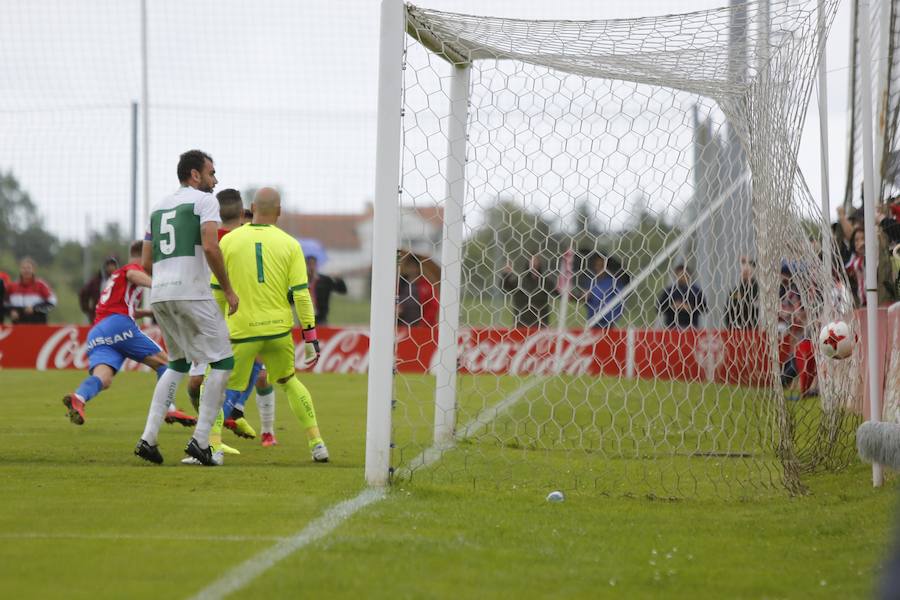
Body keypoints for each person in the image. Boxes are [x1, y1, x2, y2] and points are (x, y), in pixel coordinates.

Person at [135, 149, 239, 467]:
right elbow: (210, 246)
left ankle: (149, 438)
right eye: (211, 173)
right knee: (223, 362)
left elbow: (146, 262)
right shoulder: (204, 201)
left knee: (177, 364)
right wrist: (230, 290)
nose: (215, 179)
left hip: (161, 295)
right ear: (195, 175)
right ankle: (201, 441)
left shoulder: (157, 207)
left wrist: (169, 279)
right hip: (192, 292)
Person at [213, 187, 329, 463]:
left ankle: (213, 446)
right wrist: (311, 338)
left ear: (250, 208)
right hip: (278, 330)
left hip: (242, 331)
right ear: (279, 211)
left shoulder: (228, 241)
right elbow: (301, 294)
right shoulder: (290, 244)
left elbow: (217, 290)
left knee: (217, 384)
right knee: (289, 381)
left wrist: (215, 331)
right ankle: (317, 442)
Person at [184, 188, 277, 452]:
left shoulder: (231, 238)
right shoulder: (211, 238)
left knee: (253, 369)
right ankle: (217, 420)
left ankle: (230, 416)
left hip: (233, 312)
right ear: (242, 212)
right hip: (212, 311)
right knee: (199, 382)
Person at [61, 242, 170, 424]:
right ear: (145, 255)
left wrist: (148, 313)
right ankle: (169, 409)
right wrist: (159, 285)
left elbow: (123, 307)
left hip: (97, 332)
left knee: (103, 379)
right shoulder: (132, 268)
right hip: (118, 325)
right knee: (166, 364)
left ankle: (79, 398)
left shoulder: (115, 280)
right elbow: (133, 274)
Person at [500, 254, 557, 328]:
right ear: (528, 262)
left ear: (540, 263)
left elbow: (559, 293)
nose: (534, 263)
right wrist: (506, 275)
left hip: (540, 325)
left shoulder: (546, 282)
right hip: (521, 325)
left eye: (536, 260)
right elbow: (505, 288)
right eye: (532, 260)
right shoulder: (520, 281)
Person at [6, 258, 56, 324]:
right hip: (17, 326)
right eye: (23, 268)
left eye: (29, 268)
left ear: (34, 270)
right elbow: (4, 304)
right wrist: (10, 311)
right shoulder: (12, 286)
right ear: (20, 269)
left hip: (38, 326)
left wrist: (35, 309)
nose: (26, 270)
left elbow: (52, 302)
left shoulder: (41, 285)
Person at [657, 264, 706, 329]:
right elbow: (658, 308)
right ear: (675, 275)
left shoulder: (696, 291)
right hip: (672, 327)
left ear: (689, 275)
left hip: (691, 328)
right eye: (680, 275)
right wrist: (672, 306)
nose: (683, 277)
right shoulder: (669, 291)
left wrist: (690, 307)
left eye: (685, 275)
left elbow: (704, 309)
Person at [583, 254, 627, 328]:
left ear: (606, 267)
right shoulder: (591, 282)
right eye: (597, 265)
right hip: (592, 321)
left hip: (608, 322)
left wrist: (611, 316)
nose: (598, 268)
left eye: (601, 265)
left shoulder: (614, 282)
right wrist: (585, 297)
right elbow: (587, 301)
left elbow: (621, 300)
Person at [307, 255, 347, 326]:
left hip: (321, 318)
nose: (311, 267)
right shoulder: (302, 281)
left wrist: (338, 279)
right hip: (305, 318)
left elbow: (342, 290)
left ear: (316, 265)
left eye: (313, 264)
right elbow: (292, 300)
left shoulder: (324, 280)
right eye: (309, 264)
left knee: (322, 336)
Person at [79, 257, 119, 323]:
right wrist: (88, 310)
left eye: (113, 265)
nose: (111, 268)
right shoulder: (97, 281)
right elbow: (83, 293)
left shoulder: (120, 280)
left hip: (114, 314)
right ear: (105, 267)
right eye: (109, 265)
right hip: (98, 315)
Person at [724, 256, 759, 329]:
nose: (745, 268)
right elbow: (727, 312)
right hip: (736, 332)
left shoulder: (759, 291)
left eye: (749, 264)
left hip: (753, 332)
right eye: (743, 263)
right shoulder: (735, 292)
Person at [397, 256, 422, 327]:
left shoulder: (425, 285)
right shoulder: (400, 282)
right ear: (406, 267)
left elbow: (431, 306)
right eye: (410, 266)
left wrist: (423, 324)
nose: (412, 269)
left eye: (414, 267)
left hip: (418, 323)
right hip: (401, 322)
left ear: (418, 268)